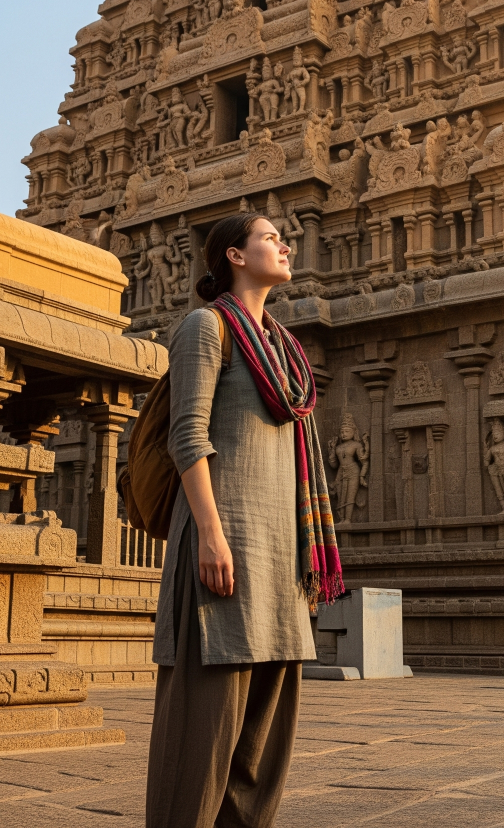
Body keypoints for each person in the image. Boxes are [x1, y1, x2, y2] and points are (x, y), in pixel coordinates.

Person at [145, 213, 343, 827]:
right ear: (234, 255)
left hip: (282, 560)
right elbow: (187, 436)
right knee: (201, 741)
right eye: (270, 238)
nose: (285, 246)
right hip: (222, 547)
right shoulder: (206, 328)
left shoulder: (286, 351)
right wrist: (208, 532)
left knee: (262, 750)